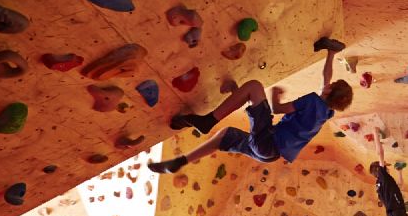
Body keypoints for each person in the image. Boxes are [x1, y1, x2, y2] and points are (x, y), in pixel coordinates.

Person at [148, 37, 353, 173]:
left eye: (331, 86)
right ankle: (181, 162)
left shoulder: (312, 101)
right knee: (225, 136)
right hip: (269, 154)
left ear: (329, 92)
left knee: (255, 87)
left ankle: (208, 120)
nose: (328, 84)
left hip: (269, 143)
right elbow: (326, 80)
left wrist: (275, 96)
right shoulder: (325, 112)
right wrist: (331, 54)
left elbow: (276, 110)